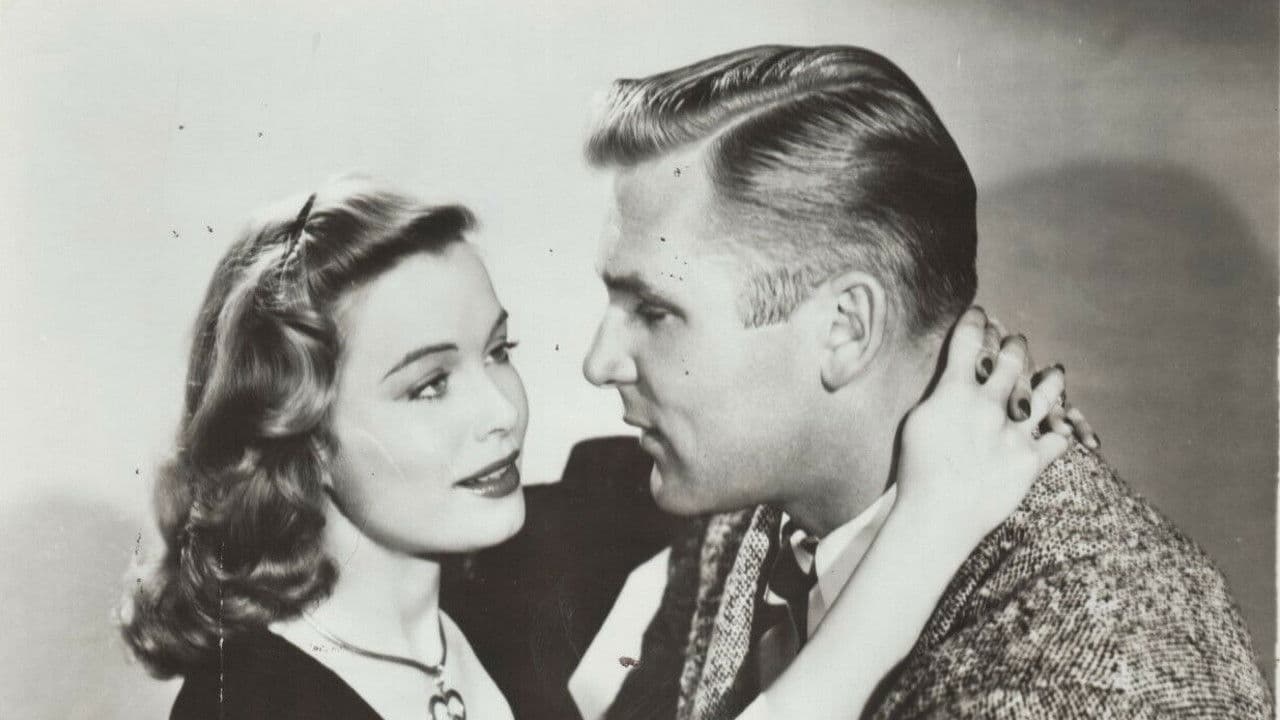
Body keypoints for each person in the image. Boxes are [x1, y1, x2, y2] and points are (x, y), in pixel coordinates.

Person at [121, 177, 1077, 719]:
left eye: (498, 352)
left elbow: (745, 448)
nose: (501, 412)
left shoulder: (519, 564)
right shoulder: (248, 707)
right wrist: (933, 527)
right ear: (300, 437)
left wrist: (962, 399)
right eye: (428, 384)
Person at [578, 45, 1271, 719]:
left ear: (846, 328)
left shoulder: (1104, 667)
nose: (598, 362)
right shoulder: (744, 503)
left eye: (655, 312)